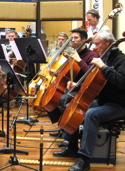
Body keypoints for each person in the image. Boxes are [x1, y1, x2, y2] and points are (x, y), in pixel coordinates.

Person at [67, 30, 125, 171]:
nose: (95, 47)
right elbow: (95, 83)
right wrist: (77, 86)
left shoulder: (122, 60)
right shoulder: (106, 57)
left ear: (107, 43)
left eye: (97, 44)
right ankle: (71, 146)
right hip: (105, 102)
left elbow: (121, 81)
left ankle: (84, 160)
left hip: (120, 105)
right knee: (73, 104)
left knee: (92, 114)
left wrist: (103, 66)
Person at [47, 28, 98, 157]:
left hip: (87, 92)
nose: (73, 40)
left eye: (76, 38)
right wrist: (57, 73)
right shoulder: (73, 54)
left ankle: (71, 143)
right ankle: (65, 132)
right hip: (75, 90)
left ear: (84, 40)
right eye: (72, 38)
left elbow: (91, 75)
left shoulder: (91, 55)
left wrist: (79, 60)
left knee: (65, 100)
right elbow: (70, 74)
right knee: (50, 97)